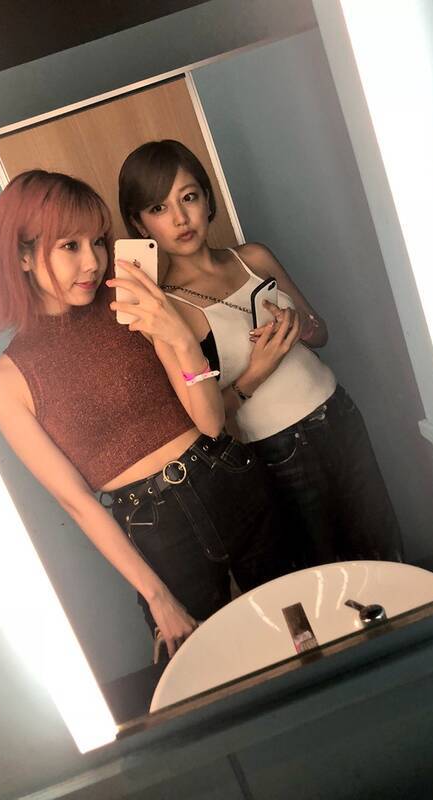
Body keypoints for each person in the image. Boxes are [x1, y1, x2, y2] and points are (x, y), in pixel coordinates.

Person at [0, 169, 289, 659]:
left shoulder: (131, 303)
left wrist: (179, 336)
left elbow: (210, 423)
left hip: (227, 477)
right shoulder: (5, 381)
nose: (92, 261)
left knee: (297, 633)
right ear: (22, 255)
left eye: (96, 242)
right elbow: (76, 502)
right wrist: (156, 597)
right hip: (154, 533)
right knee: (209, 674)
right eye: (70, 246)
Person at [118, 140, 404, 568]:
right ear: (140, 225)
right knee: (327, 571)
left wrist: (297, 325)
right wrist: (259, 370)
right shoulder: (167, 312)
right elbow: (207, 423)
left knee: (387, 548)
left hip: (338, 412)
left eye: (188, 197)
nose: (180, 218)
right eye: (159, 208)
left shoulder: (253, 257)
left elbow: (320, 333)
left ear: (207, 199)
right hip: (278, 449)